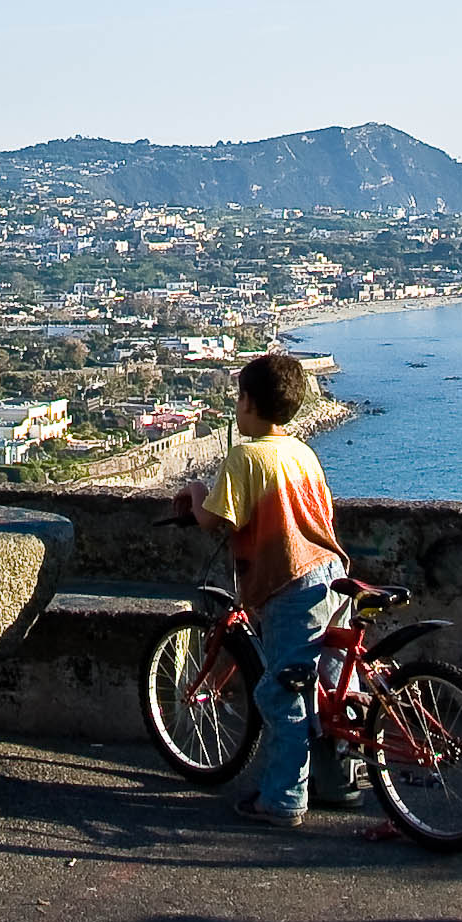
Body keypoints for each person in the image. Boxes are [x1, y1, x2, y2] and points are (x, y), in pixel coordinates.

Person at [169, 350, 359, 827]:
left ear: (249, 403)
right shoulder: (302, 452)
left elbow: (213, 519)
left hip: (290, 584)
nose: (237, 405)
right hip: (332, 575)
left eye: (239, 397)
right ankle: (340, 782)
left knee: (283, 694)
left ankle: (284, 799)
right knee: (335, 691)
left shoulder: (246, 456)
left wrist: (195, 491)